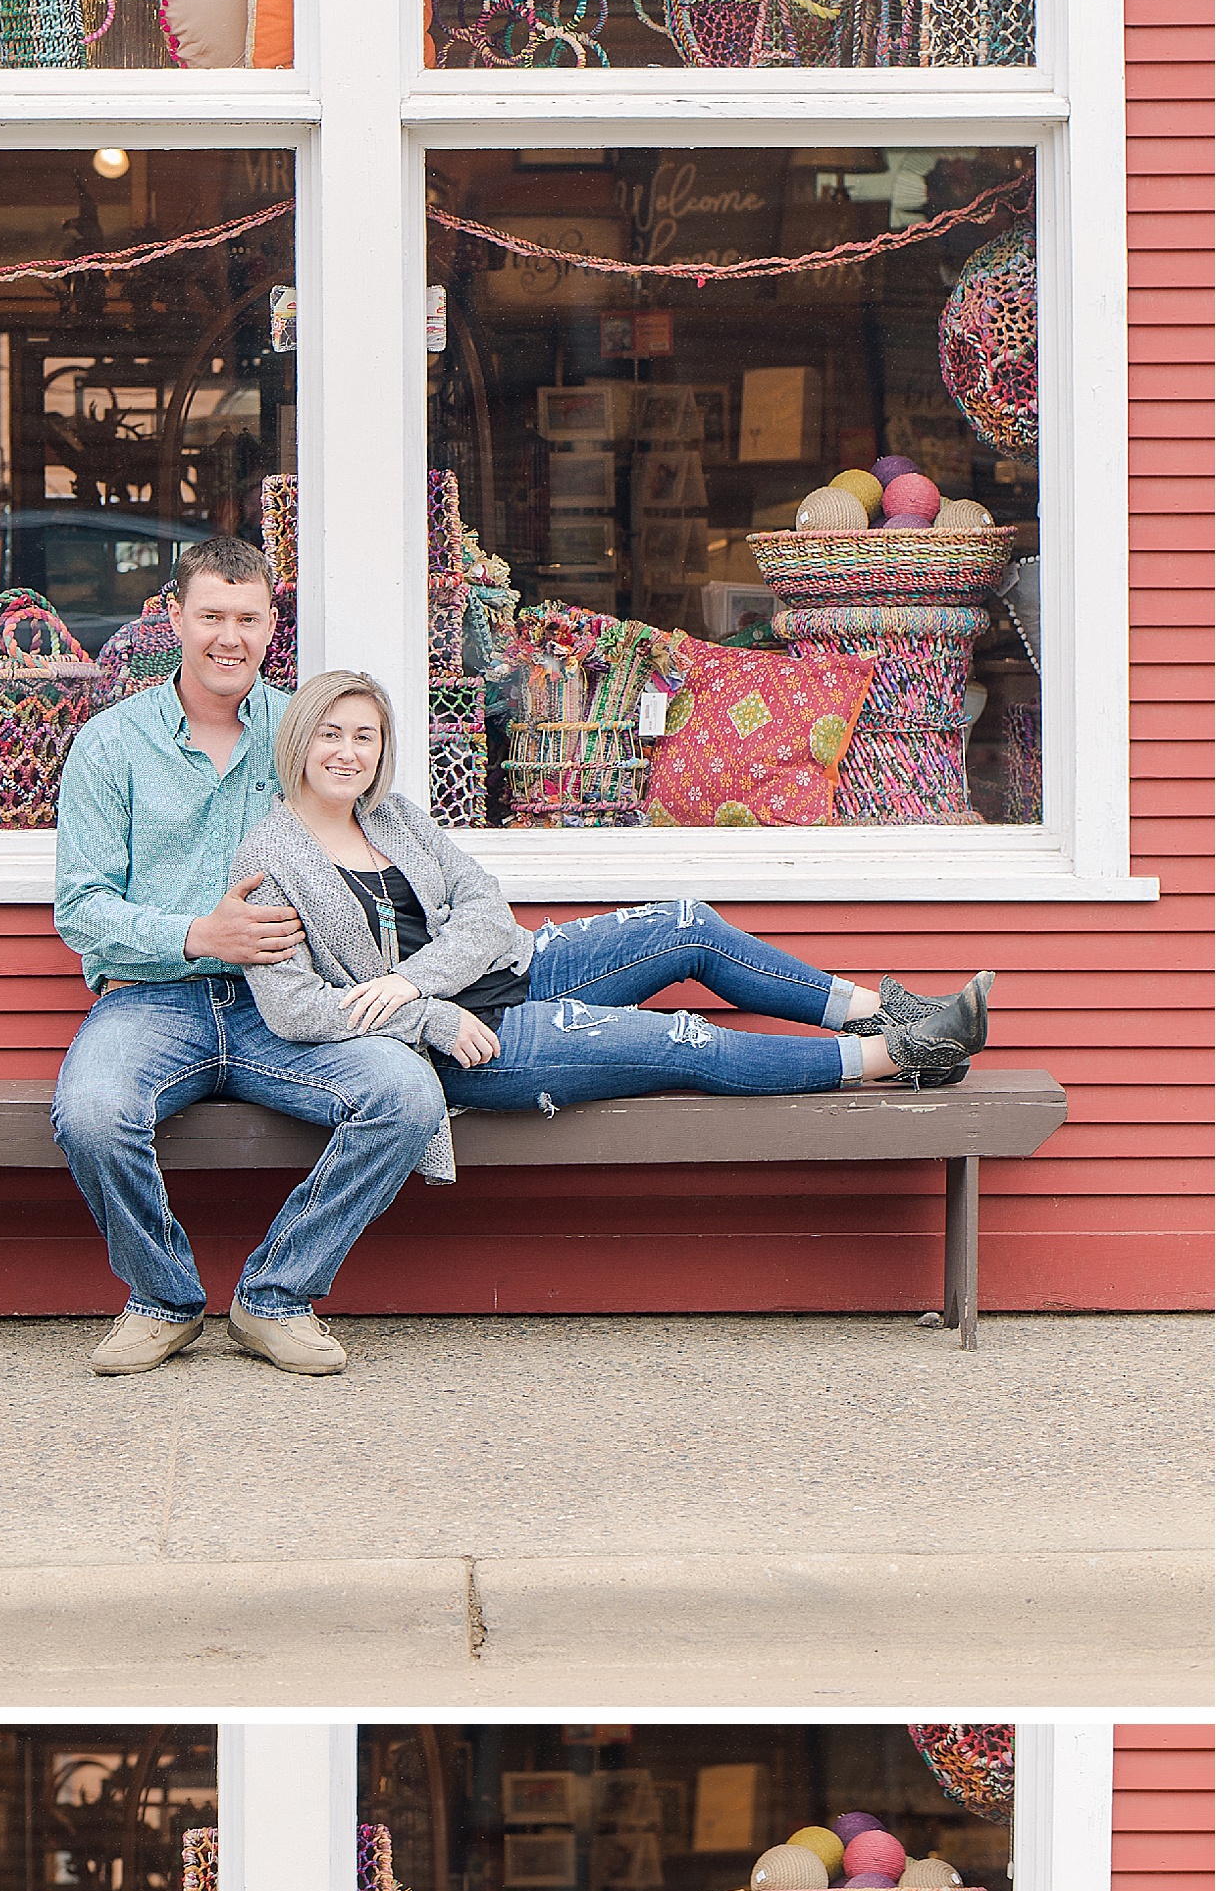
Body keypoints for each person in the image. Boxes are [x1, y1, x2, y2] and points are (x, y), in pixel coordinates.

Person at [226, 668, 992, 1147]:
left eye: (365, 736)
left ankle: (888, 1011)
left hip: (519, 967)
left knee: (688, 922)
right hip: (476, 1042)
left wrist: (414, 978)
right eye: (331, 733)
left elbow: (487, 910)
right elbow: (297, 1010)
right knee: (682, 1041)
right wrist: (427, 1014)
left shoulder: (392, 817)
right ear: (300, 739)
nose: (348, 753)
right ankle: (899, 1058)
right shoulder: (271, 855)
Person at [51, 546, 448, 1380]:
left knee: (406, 1097)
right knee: (90, 1113)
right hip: (153, 1002)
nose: (228, 636)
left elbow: (386, 832)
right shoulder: (111, 744)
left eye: (247, 618)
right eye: (211, 616)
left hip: (294, 1006)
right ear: (174, 618)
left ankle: (274, 1297)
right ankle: (162, 1299)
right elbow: (80, 908)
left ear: (271, 625)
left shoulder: (303, 731)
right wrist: (199, 933)